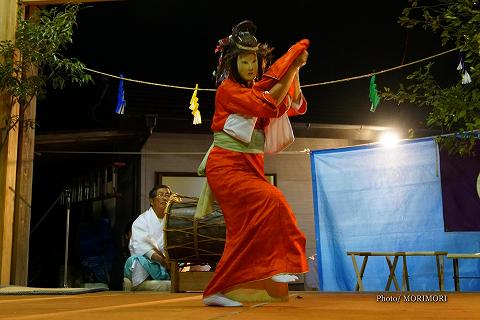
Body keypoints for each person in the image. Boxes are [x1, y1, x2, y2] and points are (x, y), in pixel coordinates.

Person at [200, 20, 309, 307]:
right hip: (226, 166)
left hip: (250, 165)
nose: (251, 66)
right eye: (245, 61)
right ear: (232, 63)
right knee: (273, 199)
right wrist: (291, 67)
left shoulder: (257, 88)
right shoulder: (228, 90)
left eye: (255, 61)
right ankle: (281, 263)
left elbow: (288, 102)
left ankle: (217, 289)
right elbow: (266, 103)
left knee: (246, 230)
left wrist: (293, 68)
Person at [123, 185, 172, 288]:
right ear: (151, 201)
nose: (165, 198)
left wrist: (171, 260)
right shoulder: (142, 220)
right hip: (151, 262)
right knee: (135, 261)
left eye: (167, 195)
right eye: (161, 195)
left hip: (171, 262)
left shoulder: (174, 219)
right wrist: (161, 260)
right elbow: (140, 246)